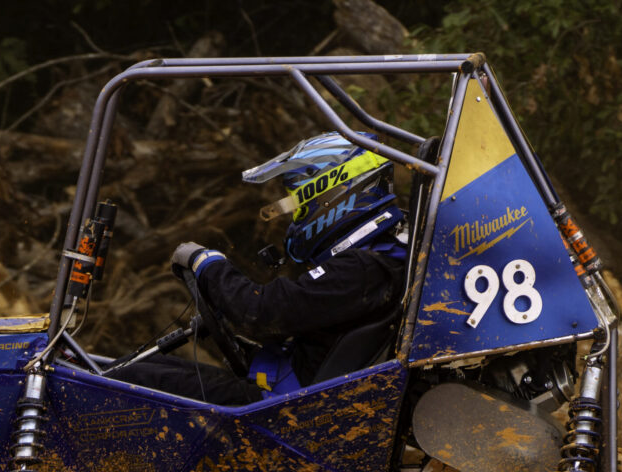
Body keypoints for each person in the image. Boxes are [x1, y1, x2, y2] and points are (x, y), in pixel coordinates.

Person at [114, 132, 409, 405]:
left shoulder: (363, 269)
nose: (295, 217)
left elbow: (259, 312)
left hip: (286, 410)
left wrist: (206, 262)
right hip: (289, 394)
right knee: (135, 368)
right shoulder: (380, 259)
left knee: (126, 381)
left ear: (334, 195)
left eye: (300, 206)